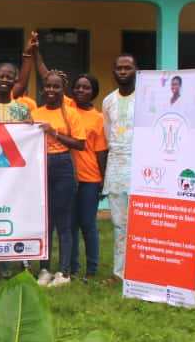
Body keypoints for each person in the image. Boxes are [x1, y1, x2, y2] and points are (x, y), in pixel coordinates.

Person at [31, 71, 85, 287]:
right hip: (40, 165)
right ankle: (44, 269)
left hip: (63, 164)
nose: (51, 90)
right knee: (45, 221)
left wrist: (53, 132)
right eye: (48, 86)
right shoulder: (35, 113)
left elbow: (80, 144)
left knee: (64, 221)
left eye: (56, 86)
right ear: (42, 88)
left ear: (63, 90)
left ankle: (64, 272)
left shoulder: (71, 113)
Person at [69, 73, 108, 283]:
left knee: (87, 224)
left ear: (94, 92)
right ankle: (72, 268)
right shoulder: (67, 109)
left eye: (86, 87)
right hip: (68, 177)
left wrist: (103, 180)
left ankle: (92, 269)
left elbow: (101, 152)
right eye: (78, 87)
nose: (81, 90)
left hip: (90, 178)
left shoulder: (99, 118)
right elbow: (49, 77)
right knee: (70, 225)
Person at [102, 53, 137, 281]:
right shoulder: (108, 101)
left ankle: (140, 270)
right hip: (116, 165)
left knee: (141, 222)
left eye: (128, 68)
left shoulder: (145, 98)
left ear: (136, 71)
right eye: (119, 68)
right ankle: (120, 272)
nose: (123, 72)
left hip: (140, 166)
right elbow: (108, 136)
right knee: (119, 223)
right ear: (114, 72)